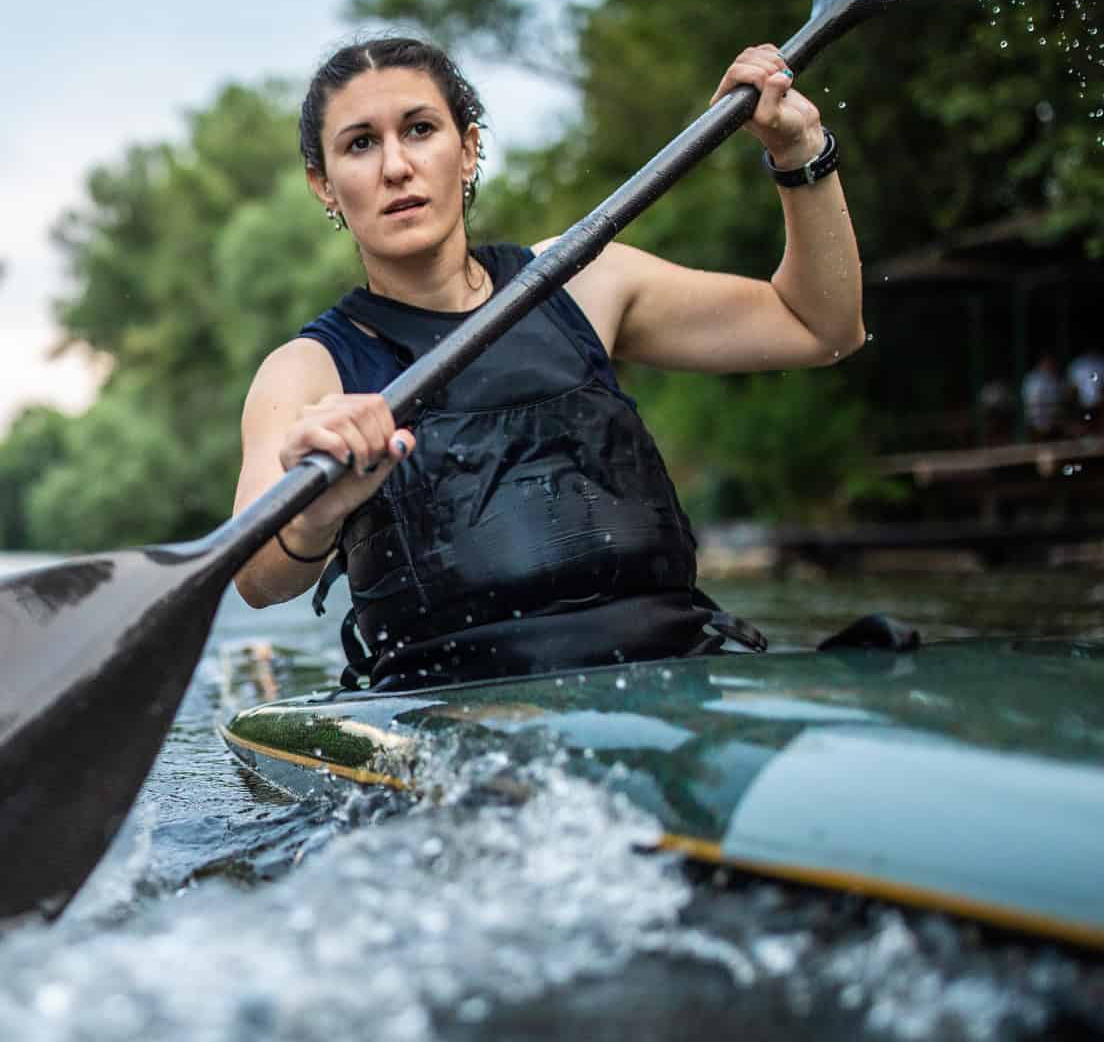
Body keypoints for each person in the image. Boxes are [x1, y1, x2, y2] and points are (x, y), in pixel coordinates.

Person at [231, 37, 862, 691]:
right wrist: (314, 513)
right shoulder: (307, 371)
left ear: (468, 148)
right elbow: (253, 577)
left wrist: (799, 154)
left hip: (675, 673)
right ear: (323, 184)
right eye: (360, 143)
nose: (395, 166)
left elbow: (819, 328)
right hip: (456, 718)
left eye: (419, 130)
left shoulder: (579, 277)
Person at [1066, 347, 1104, 436]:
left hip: (1100, 404)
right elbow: (1071, 388)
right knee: (1084, 426)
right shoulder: (1077, 365)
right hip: (1083, 404)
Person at [1021, 352, 1067, 440]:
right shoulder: (1033, 380)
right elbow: (1032, 404)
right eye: (1048, 362)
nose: (1051, 365)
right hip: (1037, 422)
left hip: (1054, 422)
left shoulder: (1055, 379)